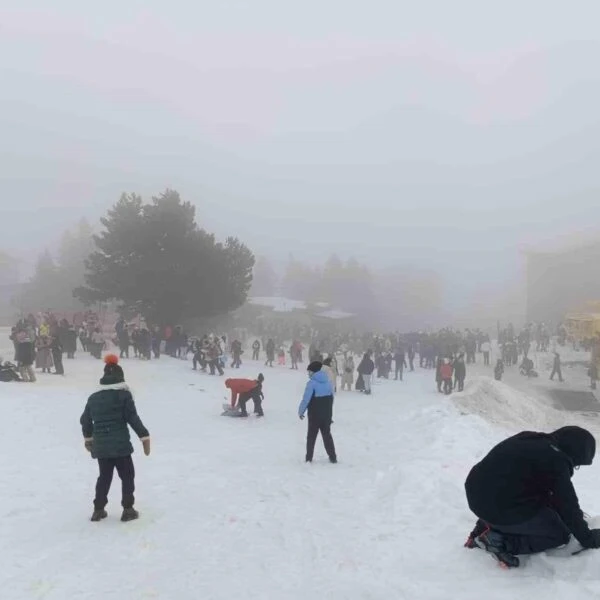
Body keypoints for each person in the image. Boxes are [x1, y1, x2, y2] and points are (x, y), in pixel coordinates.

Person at [464, 426, 600, 568]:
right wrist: (589, 539)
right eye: (576, 464)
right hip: (497, 507)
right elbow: (568, 505)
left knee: (548, 505)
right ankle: (497, 541)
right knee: (559, 534)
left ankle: (485, 524)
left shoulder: (530, 438)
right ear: (572, 454)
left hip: (477, 493)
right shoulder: (555, 461)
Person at [80, 355, 151, 523]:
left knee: (104, 477)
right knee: (127, 476)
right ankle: (128, 509)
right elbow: (132, 418)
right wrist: (144, 436)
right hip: (120, 446)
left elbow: (85, 420)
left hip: (102, 447)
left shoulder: (94, 398)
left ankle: (98, 509)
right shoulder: (124, 395)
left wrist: (88, 439)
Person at [298, 362, 336, 463]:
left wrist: (301, 411)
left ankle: (309, 458)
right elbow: (332, 399)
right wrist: (329, 414)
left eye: (309, 372)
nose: (308, 374)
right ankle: (333, 457)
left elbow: (306, 399)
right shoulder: (328, 382)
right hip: (326, 414)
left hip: (314, 415)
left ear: (313, 372)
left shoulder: (312, 384)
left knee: (311, 437)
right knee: (327, 436)